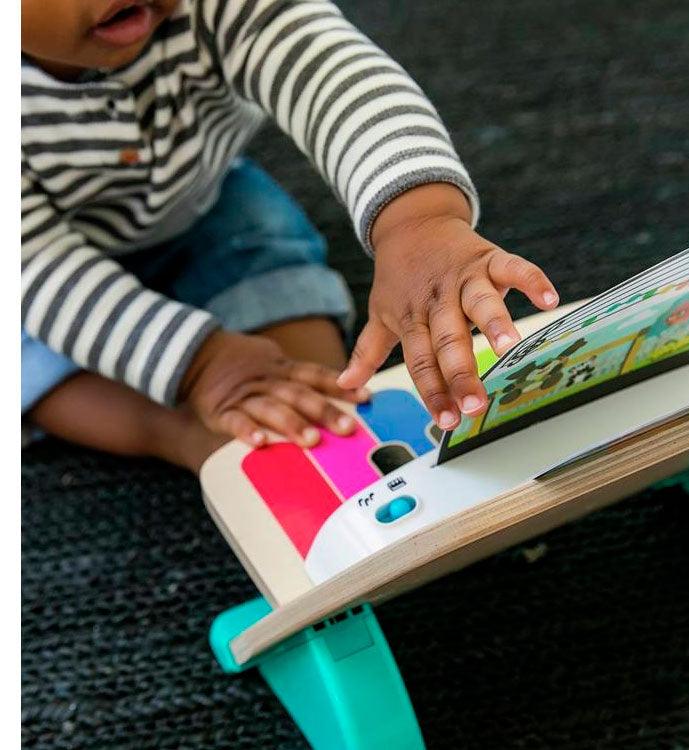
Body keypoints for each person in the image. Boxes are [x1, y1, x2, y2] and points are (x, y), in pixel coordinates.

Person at [22, 0, 559, 471]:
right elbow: (34, 265)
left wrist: (417, 223)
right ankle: (180, 432)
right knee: (41, 365)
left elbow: (335, 77)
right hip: (29, 268)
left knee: (310, 382)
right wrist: (201, 364)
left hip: (203, 207)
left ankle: (299, 419)